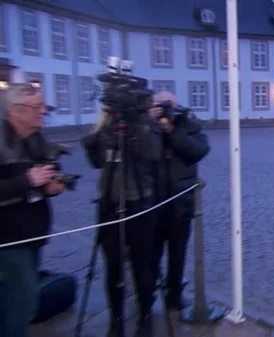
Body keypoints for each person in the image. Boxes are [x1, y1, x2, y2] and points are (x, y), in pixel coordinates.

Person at [81, 106, 162, 337]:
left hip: (139, 202)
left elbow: (153, 154)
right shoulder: (105, 127)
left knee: (142, 264)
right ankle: (116, 319)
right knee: (113, 265)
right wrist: (97, 139)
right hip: (110, 202)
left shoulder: (145, 124)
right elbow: (97, 162)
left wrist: (136, 130)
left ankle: (145, 314)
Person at [0, 83, 66, 337]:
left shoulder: (36, 137)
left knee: (18, 305)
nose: (43, 112)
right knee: (20, 307)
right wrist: (27, 181)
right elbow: (26, 180)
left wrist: (52, 185)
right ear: (16, 110)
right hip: (8, 241)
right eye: (37, 107)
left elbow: (44, 175)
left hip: (31, 237)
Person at [148, 91, 210, 310]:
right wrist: (151, 125)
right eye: (159, 106)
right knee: (149, 255)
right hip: (151, 204)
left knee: (178, 254)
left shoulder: (188, 125)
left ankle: (174, 295)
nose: (164, 109)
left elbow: (198, 151)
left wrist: (171, 130)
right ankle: (146, 297)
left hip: (179, 203)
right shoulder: (146, 127)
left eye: (168, 105)